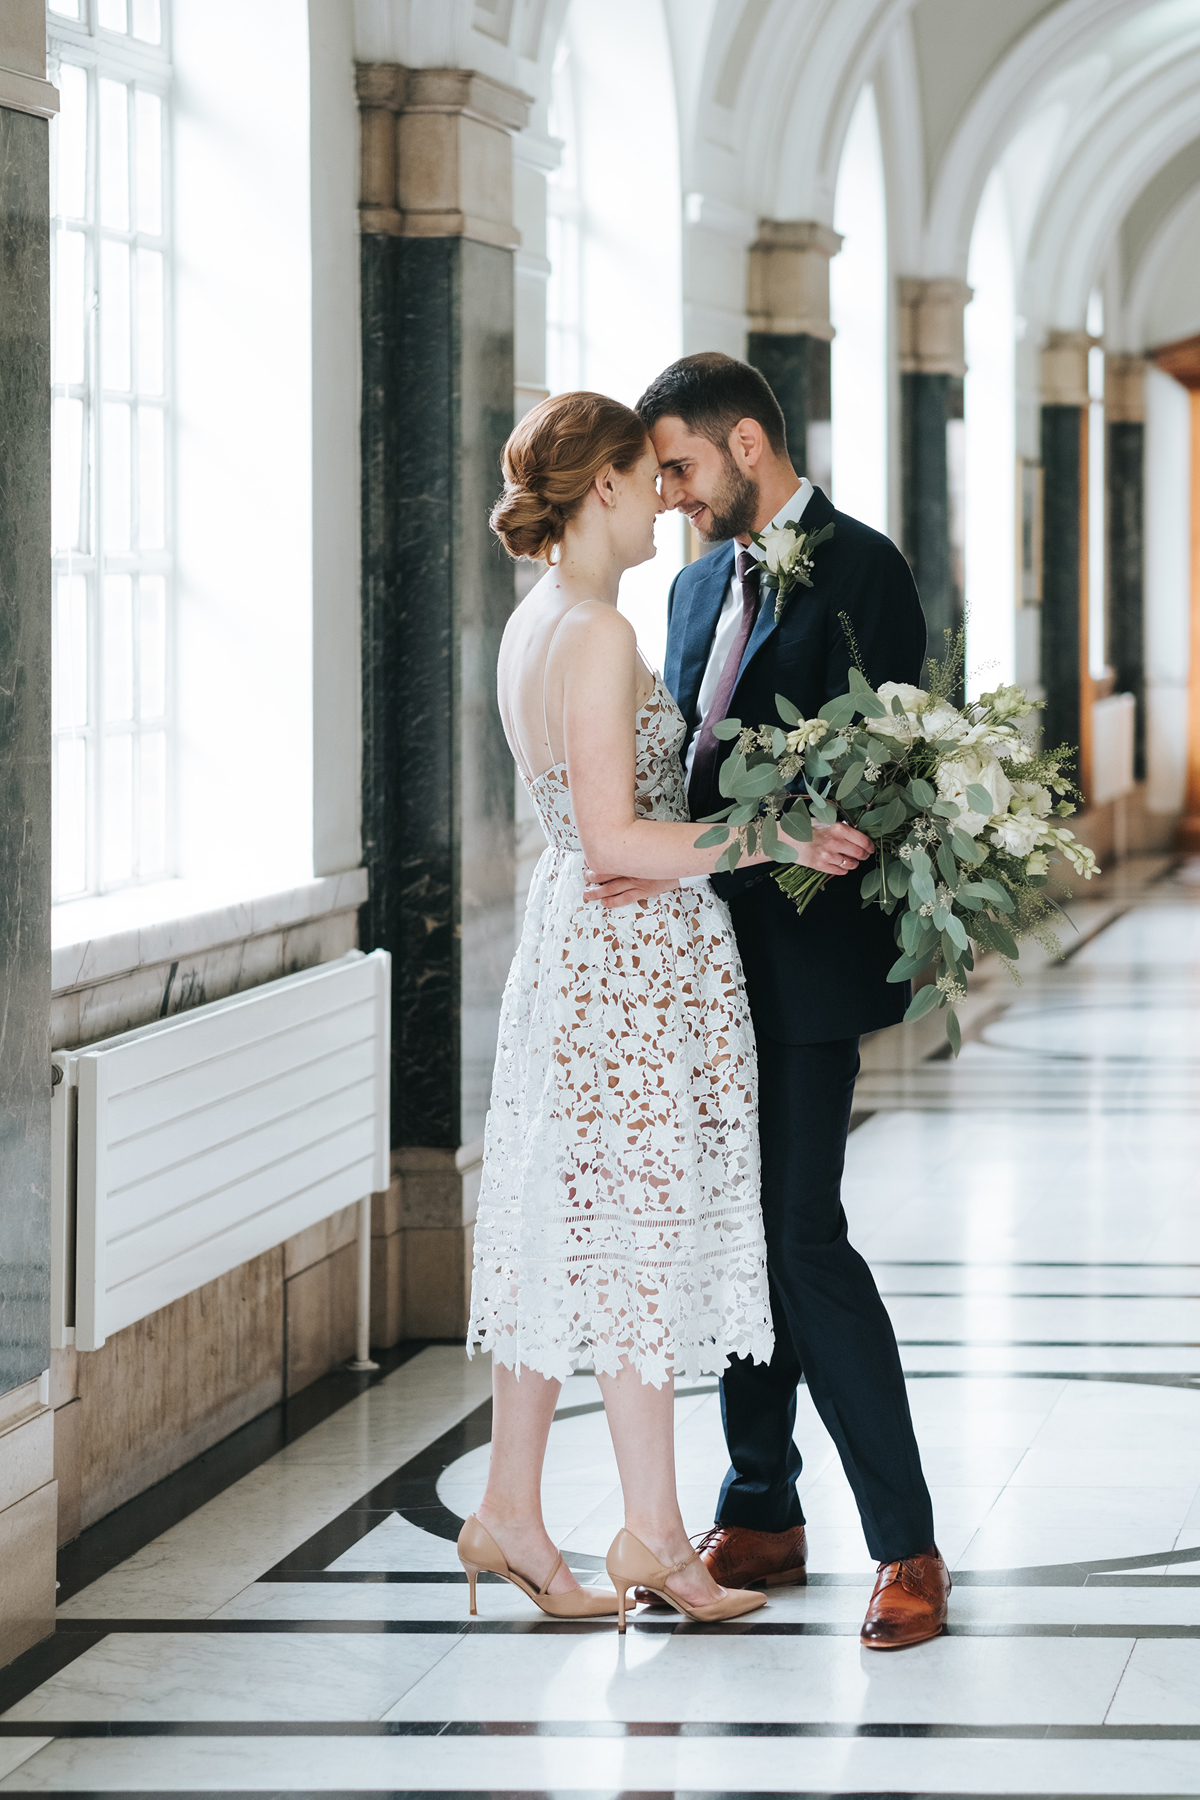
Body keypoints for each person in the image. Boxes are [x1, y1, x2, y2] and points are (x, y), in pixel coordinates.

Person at [591, 351, 949, 1650]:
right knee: (735, 1236)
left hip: (804, 966)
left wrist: (805, 823)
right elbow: (690, 770)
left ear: (749, 445)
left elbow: (900, 762)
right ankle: (760, 1506)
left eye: (682, 466)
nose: (673, 497)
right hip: (696, 965)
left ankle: (906, 1545)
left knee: (800, 1235)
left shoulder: (866, 570)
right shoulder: (690, 592)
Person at [461, 390, 797, 1631]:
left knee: (577, 1227)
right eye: (646, 476)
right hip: (626, 963)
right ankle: (651, 1534)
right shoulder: (596, 634)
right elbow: (617, 836)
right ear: (599, 486)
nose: (668, 497)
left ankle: (514, 1509)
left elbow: (586, 836)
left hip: (575, 944)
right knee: (635, 1237)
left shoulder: (533, 620)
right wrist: (773, 835)